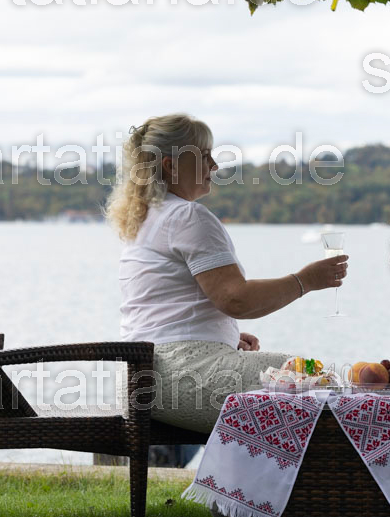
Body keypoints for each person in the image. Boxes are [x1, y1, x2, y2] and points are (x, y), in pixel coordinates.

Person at [105, 113, 348, 433]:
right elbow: (237, 300)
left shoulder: (145, 219)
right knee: (319, 381)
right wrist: (306, 280)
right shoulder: (187, 216)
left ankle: (242, 467)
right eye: (204, 156)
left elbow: (165, 310)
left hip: (140, 378)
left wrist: (223, 336)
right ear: (171, 166)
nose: (215, 165)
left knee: (303, 382)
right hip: (179, 374)